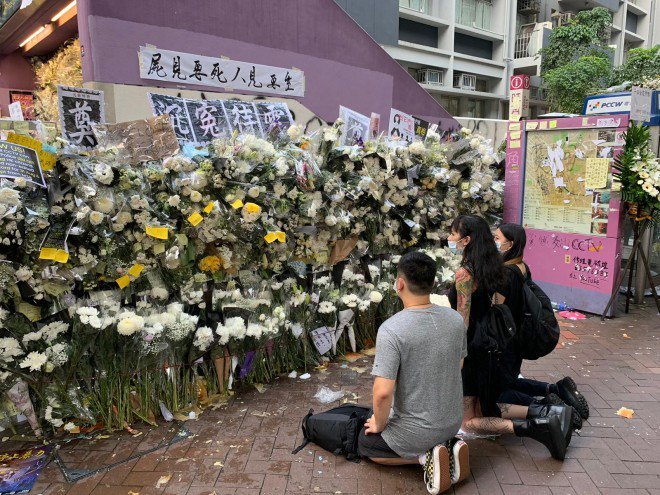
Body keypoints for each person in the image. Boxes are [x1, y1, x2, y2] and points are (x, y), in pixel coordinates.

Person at [447, 215, 573, 461]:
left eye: (453, 234)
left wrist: (458, 353)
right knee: (488, 406)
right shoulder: (497, 266)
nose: (450, 238)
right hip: (493, 344)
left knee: (469, 421)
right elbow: (497, 305)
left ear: (466, 239)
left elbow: (463, 318)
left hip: (472, 347)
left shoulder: (465, 273)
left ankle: (536, 425)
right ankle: (547, 412)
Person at [358, 251, 470, 494]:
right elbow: (458, 365)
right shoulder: (454, 319)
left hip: (416, 433)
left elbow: (382, 393)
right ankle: (446, 447)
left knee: (365, 442)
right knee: (373, 415)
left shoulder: (392, 329)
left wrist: (379, 423)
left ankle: (426, 458)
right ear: (432, 283)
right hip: (452, 422)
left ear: (400, 284)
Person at [494, 223, 590, 425]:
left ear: (509, 244)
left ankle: (551, 408)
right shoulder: (521, 267)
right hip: (520, 335)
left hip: (507, 339)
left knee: (499, 392)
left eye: (497, 239)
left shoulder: (506, 274)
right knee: (510, 380)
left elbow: (497, 308)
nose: (494, 242)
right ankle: (556, 389)